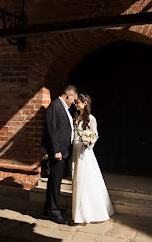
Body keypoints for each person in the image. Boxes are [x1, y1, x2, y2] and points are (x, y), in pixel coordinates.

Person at [71, 93, 114, 224]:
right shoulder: (75, 117)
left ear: (84, 104)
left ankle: (88, 212)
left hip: (85, 152)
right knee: (76, 177)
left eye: (78, 102)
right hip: (75, 150)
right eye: (76, 102)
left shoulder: (90, 118)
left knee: (84, 178)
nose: (76, 104)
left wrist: (88, 143)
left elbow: (94, 135)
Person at [41, 85, 78, 225]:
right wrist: (56, 150)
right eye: (73, 99)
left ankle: (48, 207)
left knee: (54, 182)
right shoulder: (55, 106)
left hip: (63, 151)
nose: (74, 102)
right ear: (68, 95)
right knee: (55, 183)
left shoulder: (64, 108)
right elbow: (52, 130)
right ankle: (54, 212)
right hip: (58, 153)